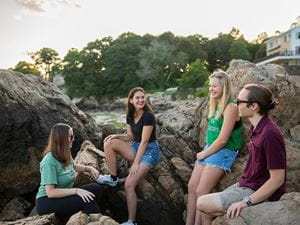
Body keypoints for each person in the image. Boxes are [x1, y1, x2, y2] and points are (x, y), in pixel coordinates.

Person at [197, 84, 286, 224]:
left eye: (239, 102)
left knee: (202, 203)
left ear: (254, 106)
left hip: (258, 188)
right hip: (248, 182)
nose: (235, 104)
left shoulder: (269, 134)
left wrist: (246, 202)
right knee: (206, 210)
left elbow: (277, 179)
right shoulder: (256, 127)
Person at [97, 87, 160, 225]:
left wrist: (136, 164)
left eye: (142, 97)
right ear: (131, 100)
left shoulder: (148, 116)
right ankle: (113, 178)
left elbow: (144, 141)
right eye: (137, 98)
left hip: (149, 152)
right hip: (136, 148)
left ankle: (131, 222)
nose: (140, 100)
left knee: (129, 185)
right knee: (109, 143)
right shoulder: (130, 115)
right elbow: (130, 136)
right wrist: (116, 135)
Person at [186, 71, 242, 225]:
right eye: (210, 86)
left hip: (224, 151)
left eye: (215, 86)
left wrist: (203, 154)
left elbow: (223, 140)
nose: (211, 89)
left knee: (201, 192)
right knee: (192, 187)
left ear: (224, 86)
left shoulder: (231, 107)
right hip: (211, 148)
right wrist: (205, 151)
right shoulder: (216, 104)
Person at [36, 123, 101, 219]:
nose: (73, 139)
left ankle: (81, 215)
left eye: (73, 136)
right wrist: (77, 191)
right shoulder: (49, 161)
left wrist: (89, 168)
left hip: (63, 196)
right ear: (61, 139)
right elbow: (51, 192)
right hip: (47, 201)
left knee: (96, 188)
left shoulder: (65, 152)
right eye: (71, 137)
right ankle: (97, 220)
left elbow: (73, 166)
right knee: (86, 199)